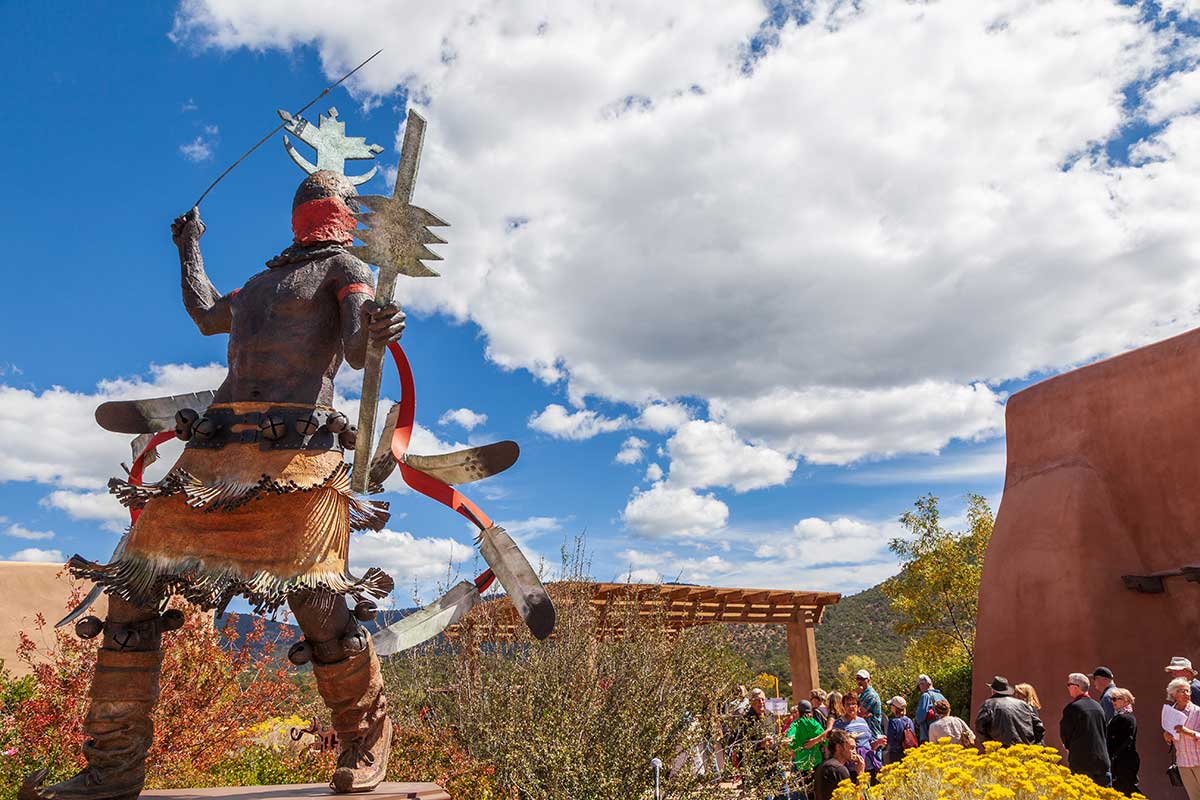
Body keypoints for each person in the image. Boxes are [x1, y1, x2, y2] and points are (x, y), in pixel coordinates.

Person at [21, 172, 411, 798]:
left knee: (317, 603)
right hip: (211, 456)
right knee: (135, 588)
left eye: (324, 196)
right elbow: (207, 315)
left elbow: (358, 350)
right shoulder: (259, 284)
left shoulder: (345, 268)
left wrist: (377, 329)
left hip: (297, 459)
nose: (315, 202)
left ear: (340, 212)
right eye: (311, 197)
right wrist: (189, 248)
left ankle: (366, 738)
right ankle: (113, 767)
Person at [1060, 672, 1111, 787]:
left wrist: (1068, 748)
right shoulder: (1098, 706)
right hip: (1102, 760)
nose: (1068, 688)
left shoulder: (1073, 708)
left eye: (1069, 685)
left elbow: (1065, 734)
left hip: (1082, 762)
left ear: (1076, 687)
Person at [976, 675, 1045, 746]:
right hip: (1024, 748)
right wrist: (1034, 744)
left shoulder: (988, 704)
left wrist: (989, 744)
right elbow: (1038, 726)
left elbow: (979, 727)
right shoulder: (1023, 704)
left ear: (993, 690)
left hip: (1000, 749)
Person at [834, 691, 885, 781]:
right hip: (852, 769)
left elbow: (869, 745)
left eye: (853, 704)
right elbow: (836, 748)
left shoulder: (863, 721)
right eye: (848, 704)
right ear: (843, 706)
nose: (851, 707)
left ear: (858, 706)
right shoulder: (839, 724)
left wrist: (877, 743)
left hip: (869, 766)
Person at [1166, 677, 1200, 798]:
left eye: (1188, 690)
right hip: (1183, 763)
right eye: (1182, 691)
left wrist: (1187, 732)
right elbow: (1170, 738)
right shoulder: (1170, 713)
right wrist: (1167, 737)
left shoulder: (1197, 712)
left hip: (1199, 761)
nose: (1187, 694)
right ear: (1174, 694)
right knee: (1194, 797)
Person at [785, 700, 832, 780]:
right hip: (817, 762)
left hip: (802, 764)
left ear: (799, 712)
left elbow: (789, 739)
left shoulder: (796, 724)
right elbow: (825, 740)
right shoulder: (815, 724)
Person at [1106, 688, 1140, 797]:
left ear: (1126, 700)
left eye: (1116, 699)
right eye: (1112, 699)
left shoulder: (1125, 718)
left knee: (1125, 790)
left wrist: (1114, 756)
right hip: (1122, 761)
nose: (1113, 702)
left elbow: (1125, 740)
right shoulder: (1121, 716)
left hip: (1123, 762)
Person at [814, 729, 865, 800]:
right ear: (838, 747)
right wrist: (861, 773)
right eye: (852, 748)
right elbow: (853, 798)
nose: (855, 752)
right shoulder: (838, 769)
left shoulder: (823, 765)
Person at [914, 674, 947, 742]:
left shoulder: (925, 696)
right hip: (943, 733)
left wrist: (915, 721)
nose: (920, 688)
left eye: (920, 685)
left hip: (929, 735)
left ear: (923, 684)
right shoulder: (941, 696)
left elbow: (920, 717)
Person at [885, 696, 916, 763]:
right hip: (908, 752)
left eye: (891, 705)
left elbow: (890, 740)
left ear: (895, 707)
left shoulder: (893, 722)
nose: (890, 707)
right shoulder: (909, 720)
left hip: (896, 753)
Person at [855, 669, 885, 738]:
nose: (859, 681)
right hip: (865, 730)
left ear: (868, 680)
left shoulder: (871, 695)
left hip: (871, 733)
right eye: (857, 679)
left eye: (862, 679)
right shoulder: (861, 694)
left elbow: (858, 713)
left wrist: (855, 693)